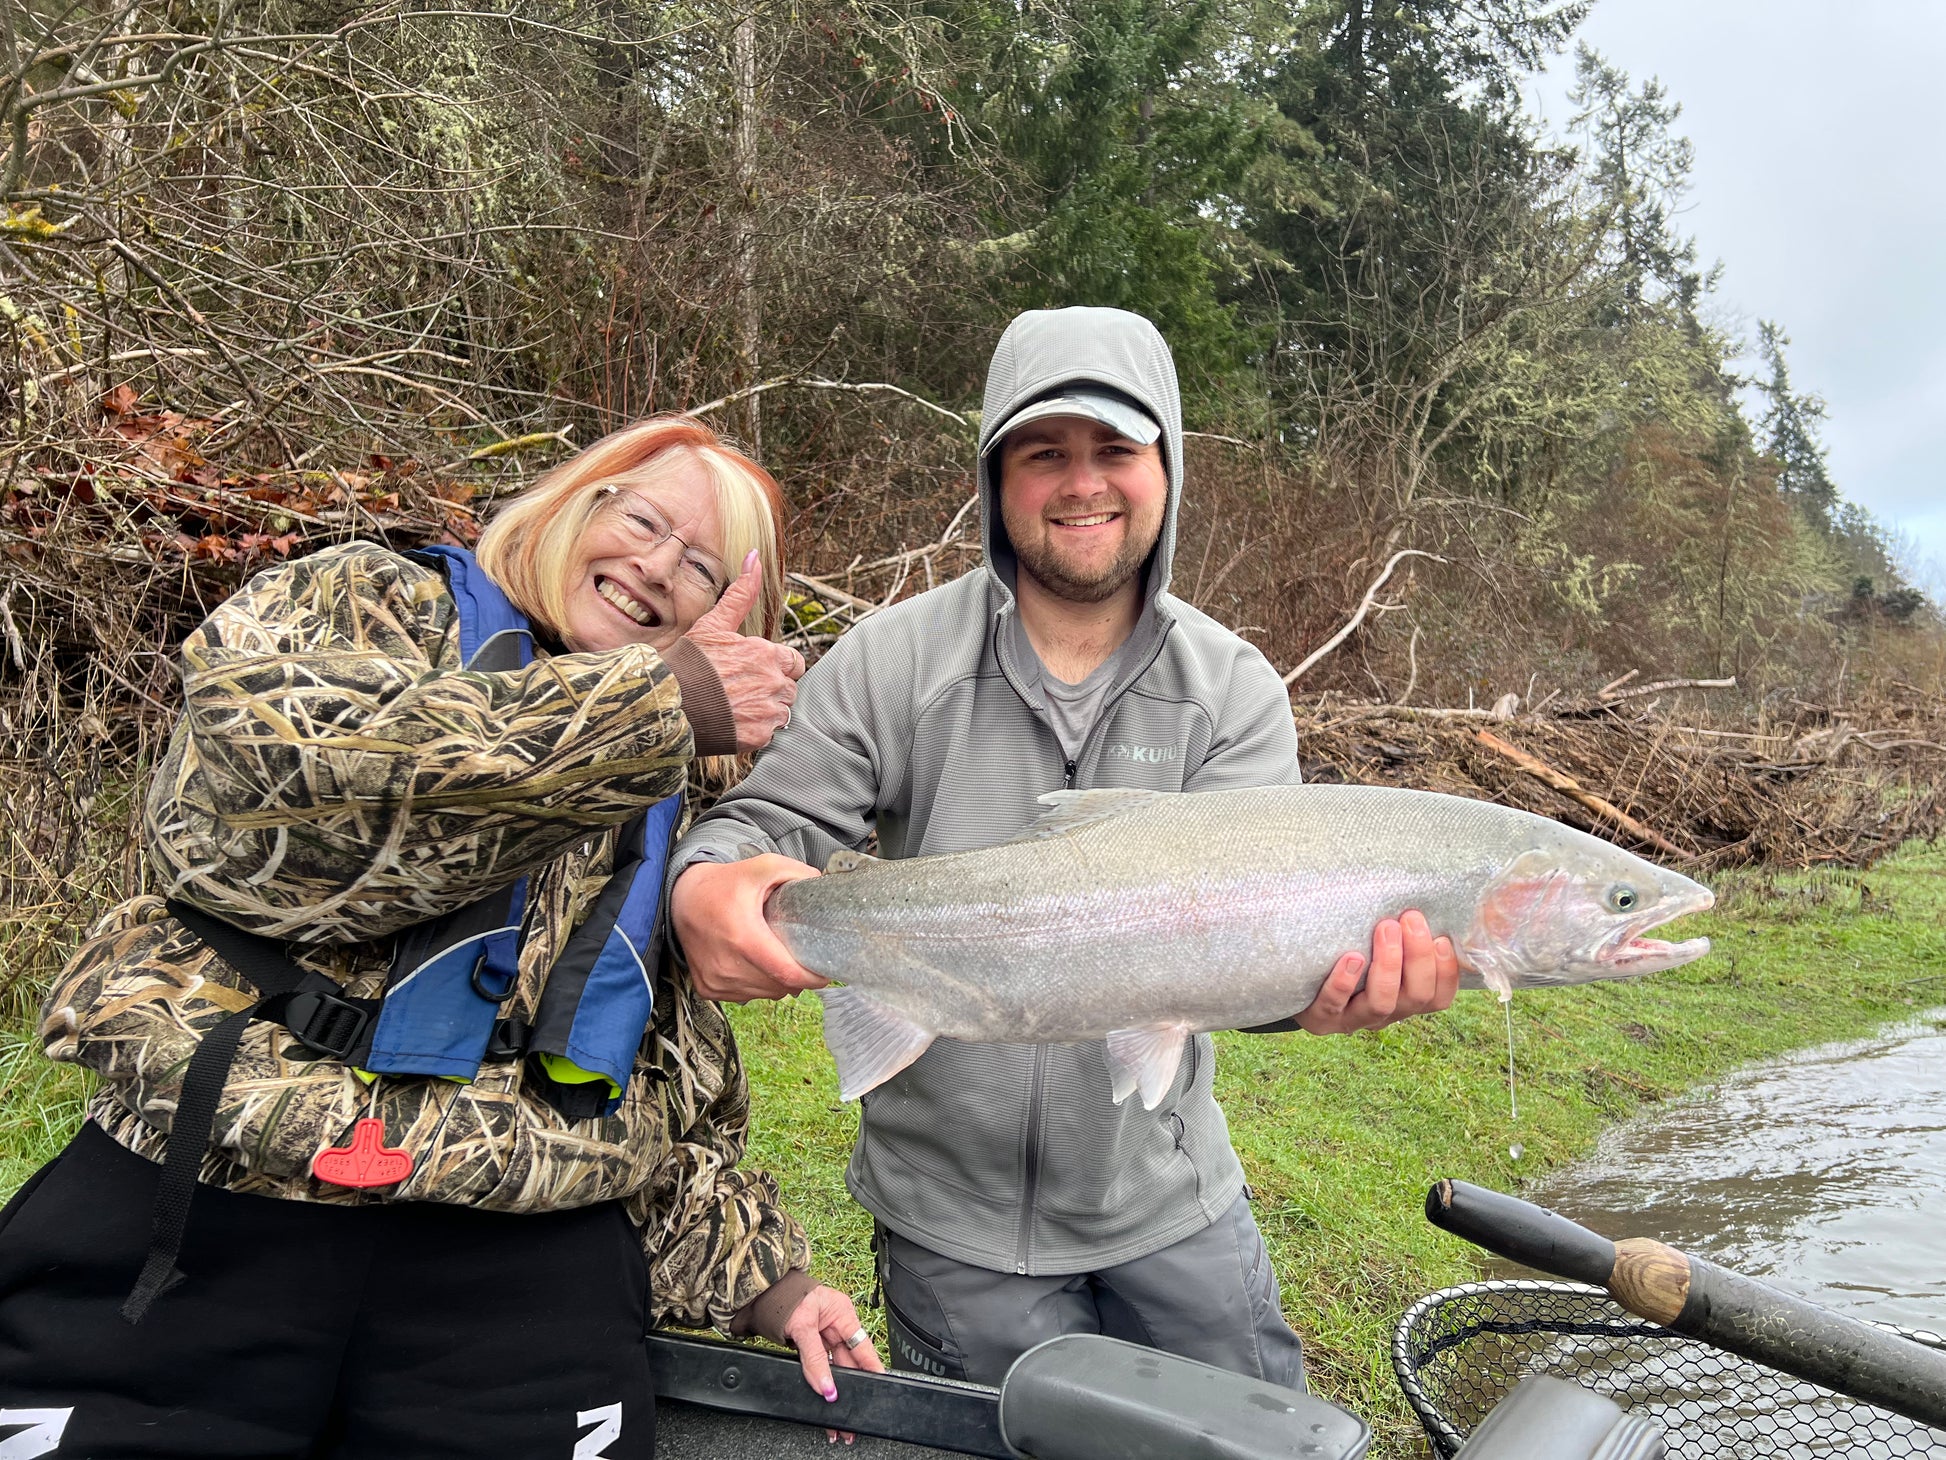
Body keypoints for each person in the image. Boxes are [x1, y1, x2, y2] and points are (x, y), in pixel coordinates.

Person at [1, 416, 881, 1460]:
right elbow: (275, 802)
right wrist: (654, 706)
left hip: (520, 1269)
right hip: (206, 1210)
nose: (655, 568)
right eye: (644, 521)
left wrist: (766, 1279)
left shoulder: (686, 777)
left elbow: (658, 1073)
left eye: (701, 567)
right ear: (573, 505)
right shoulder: (368, 599)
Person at [667, 307, 1461, 1388]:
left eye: (1115, 449)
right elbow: (754, 829)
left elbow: (1252, 961)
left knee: (1252, 1438)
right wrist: (704, 885)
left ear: (1166, 469)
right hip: (947, 1215)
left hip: (1168, 1196)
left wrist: (1318, 992)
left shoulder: (1232, 692)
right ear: (995, 477)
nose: (1082, 483)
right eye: (1043, 453)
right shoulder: (891, 661)